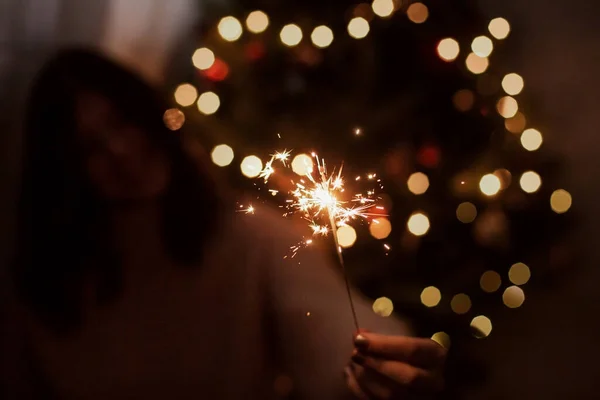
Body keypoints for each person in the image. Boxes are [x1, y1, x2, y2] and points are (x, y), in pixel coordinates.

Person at [6, 48, 446, 399]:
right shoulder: (48, 281)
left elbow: (332, 335)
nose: (121, 151)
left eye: (122, 122)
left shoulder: (247, 237)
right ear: (64, 173)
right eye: (90, 149)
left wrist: (377, 371)